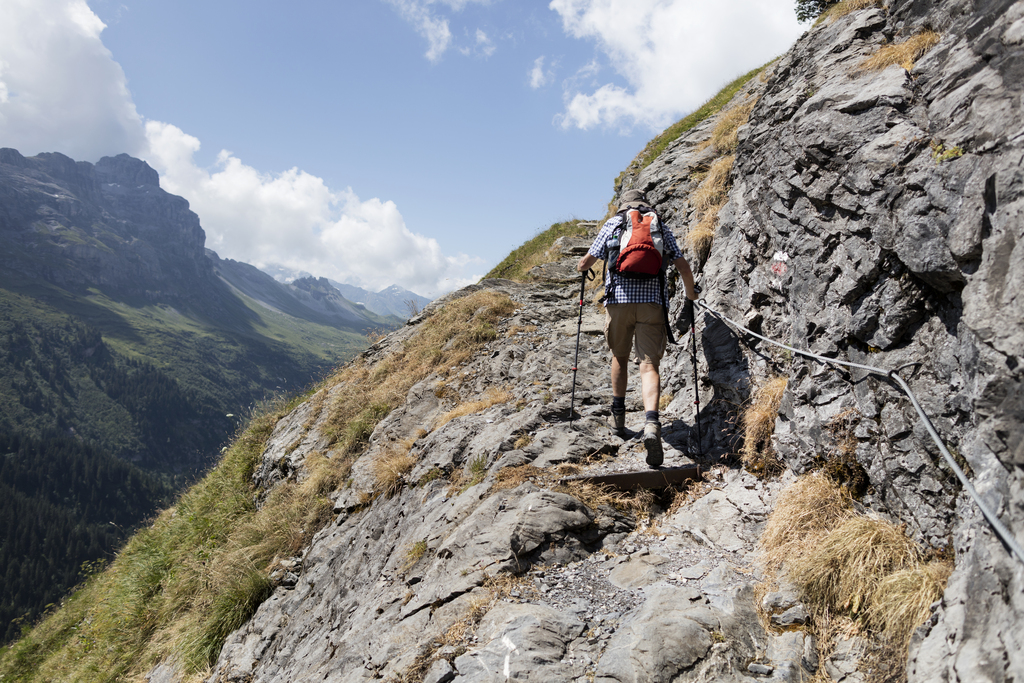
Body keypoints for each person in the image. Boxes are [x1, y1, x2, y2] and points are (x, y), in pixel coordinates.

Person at [577, 189, 698, 467]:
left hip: (618, 302)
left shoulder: (614, 224)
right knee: (649, 365)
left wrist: (582, 267)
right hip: (652, 304)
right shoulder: (659, 225)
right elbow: (681, 264)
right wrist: (691, 294)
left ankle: (618, 420)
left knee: (619, 357)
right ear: (646, 205)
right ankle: (652, 424)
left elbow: (587, 262)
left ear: (624, 206)